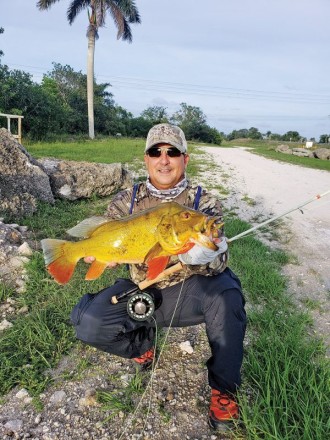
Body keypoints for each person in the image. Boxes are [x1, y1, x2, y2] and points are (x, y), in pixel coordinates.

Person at [70, 123, 247, 431]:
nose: (164, 160)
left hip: (193, 292)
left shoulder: (204, 204)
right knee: (89, 321)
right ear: (146, 159)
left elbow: (220, 263)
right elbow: (111, 242)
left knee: (228, 295)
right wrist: (102, 257)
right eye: (156, 152)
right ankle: (142, 347)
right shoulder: (125, 201)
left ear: (185, 159)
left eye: (173, 152)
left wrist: (207, 255)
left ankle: (224, 392)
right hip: (143, 291)